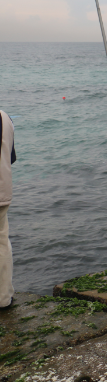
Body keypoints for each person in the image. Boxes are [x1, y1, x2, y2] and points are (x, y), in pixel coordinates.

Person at [0, 109, 16, 310]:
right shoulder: (5, 117)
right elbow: (11, 156)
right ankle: (3, 297)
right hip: (3, 189)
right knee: (2, 242)